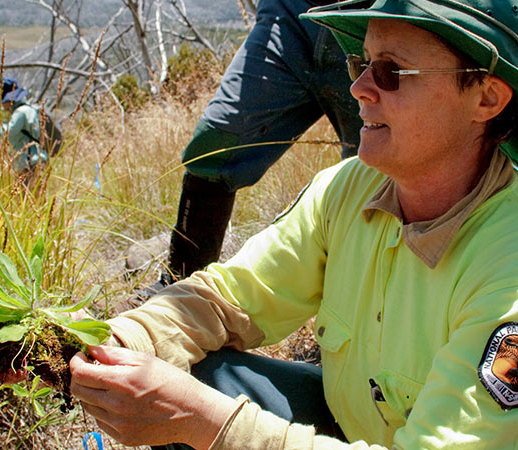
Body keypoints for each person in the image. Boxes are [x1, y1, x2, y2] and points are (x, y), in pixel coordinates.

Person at [71, 0, 518, 449]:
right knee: (196, 371)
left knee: (199, 405)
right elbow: (227, 300)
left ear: (486, 98)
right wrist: (113, 341)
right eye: (362, 62)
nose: (360, 89)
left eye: (393, 71)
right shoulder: (349, 189)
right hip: (356, 430)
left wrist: (199, 421)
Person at [127, 0, 363, 300]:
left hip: (367, 12)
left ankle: (359, 315)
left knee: (375, 169)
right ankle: (179, 286)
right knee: (218, 140)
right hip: (290, 14)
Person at [0, 77, 50, 185]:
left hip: (31, 163)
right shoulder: (26, 110)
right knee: (32, 198)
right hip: (33, 162)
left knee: (28, 198)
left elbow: (8, 132)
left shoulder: (21, 112)